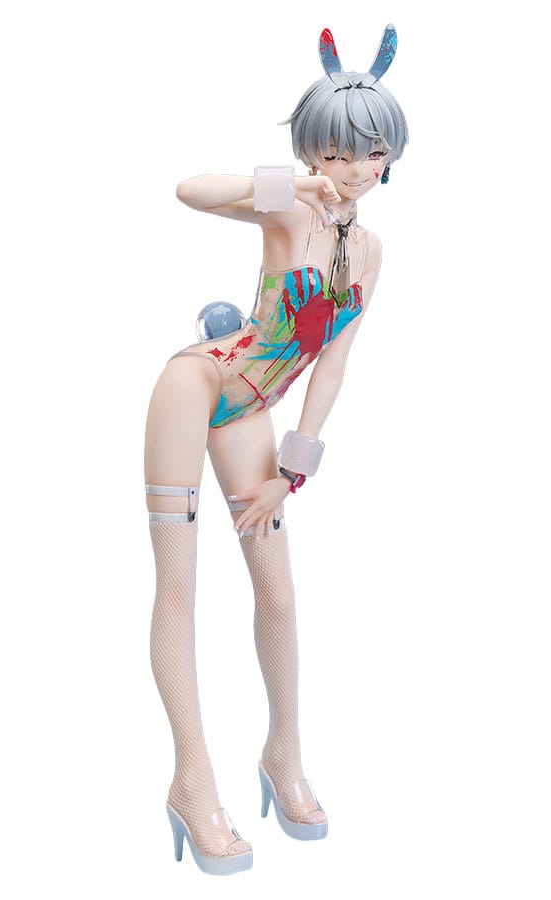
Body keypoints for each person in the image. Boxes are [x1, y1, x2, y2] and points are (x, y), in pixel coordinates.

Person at [144, 24, 408, 876]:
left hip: (254, 409)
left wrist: (293, 471)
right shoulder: (289, 205)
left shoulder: (370, 253)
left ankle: (282, 756)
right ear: (312, 151)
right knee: (181, 591)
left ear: (390, 156)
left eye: (369, 150)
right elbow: (189, 189)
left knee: (280, 598)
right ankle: (192, 784)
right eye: (335, 149)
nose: (353, 166)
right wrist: (290, 182)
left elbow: (332, 367)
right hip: (199, 384)